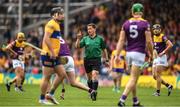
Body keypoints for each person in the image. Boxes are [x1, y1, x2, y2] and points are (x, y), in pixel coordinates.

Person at [115, 3, 154, 106]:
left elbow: (121, 40)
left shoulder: (126, 23)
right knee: (133, 78)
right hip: (139, 53)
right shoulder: (145, 23)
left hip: (129, 53)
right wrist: (151, 54)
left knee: (134, 78)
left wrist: (117, 55)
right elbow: (149, 41)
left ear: (132, 12)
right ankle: (122, 100)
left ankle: (135, 101)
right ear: (142, 12)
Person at [45, 37, 96, 104]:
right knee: (73, 82)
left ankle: (50, 94)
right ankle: (91, 90)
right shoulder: (60, 38)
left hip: (63, 59)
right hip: (70, 59)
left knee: (48, 74)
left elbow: (54, 53)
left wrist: (48, 53)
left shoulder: (52, 39)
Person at [39, 7, 67, 105]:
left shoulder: (57, 25)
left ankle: (50, 94)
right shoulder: (51, 24)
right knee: (46, 77)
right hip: (48, 54)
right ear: (55, 15)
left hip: (54, 55)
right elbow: (46, 39)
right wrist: (52, 51)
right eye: (61, 13)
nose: (63, 15)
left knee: (62, 74)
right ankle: (42, 99)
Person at [75, 23, 109, 101]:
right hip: (87, 60)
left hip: (96, 59)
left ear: (94, 29)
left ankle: (94, 92)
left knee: (94, 75)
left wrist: (107, 59)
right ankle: (91, 91)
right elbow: (77, 46)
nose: (89, 30)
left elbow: (104, 49)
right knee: (89, 78)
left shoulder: (100, 39)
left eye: (90, 29)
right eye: (88, 29)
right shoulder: (85, 38)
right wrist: (78, 38)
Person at [152, 24, 173, 96]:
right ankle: (168, 86)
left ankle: (158, 92)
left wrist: (163, 52)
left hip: (162, 57)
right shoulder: (154, 36)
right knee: (154, 76)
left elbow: (170, 44)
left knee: (158, 74)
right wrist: (152, 56)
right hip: (156, 57)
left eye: (157, 29)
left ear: (160, 30)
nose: (156, 30)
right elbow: (154, 48)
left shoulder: (163, 36)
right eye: (154, 29)